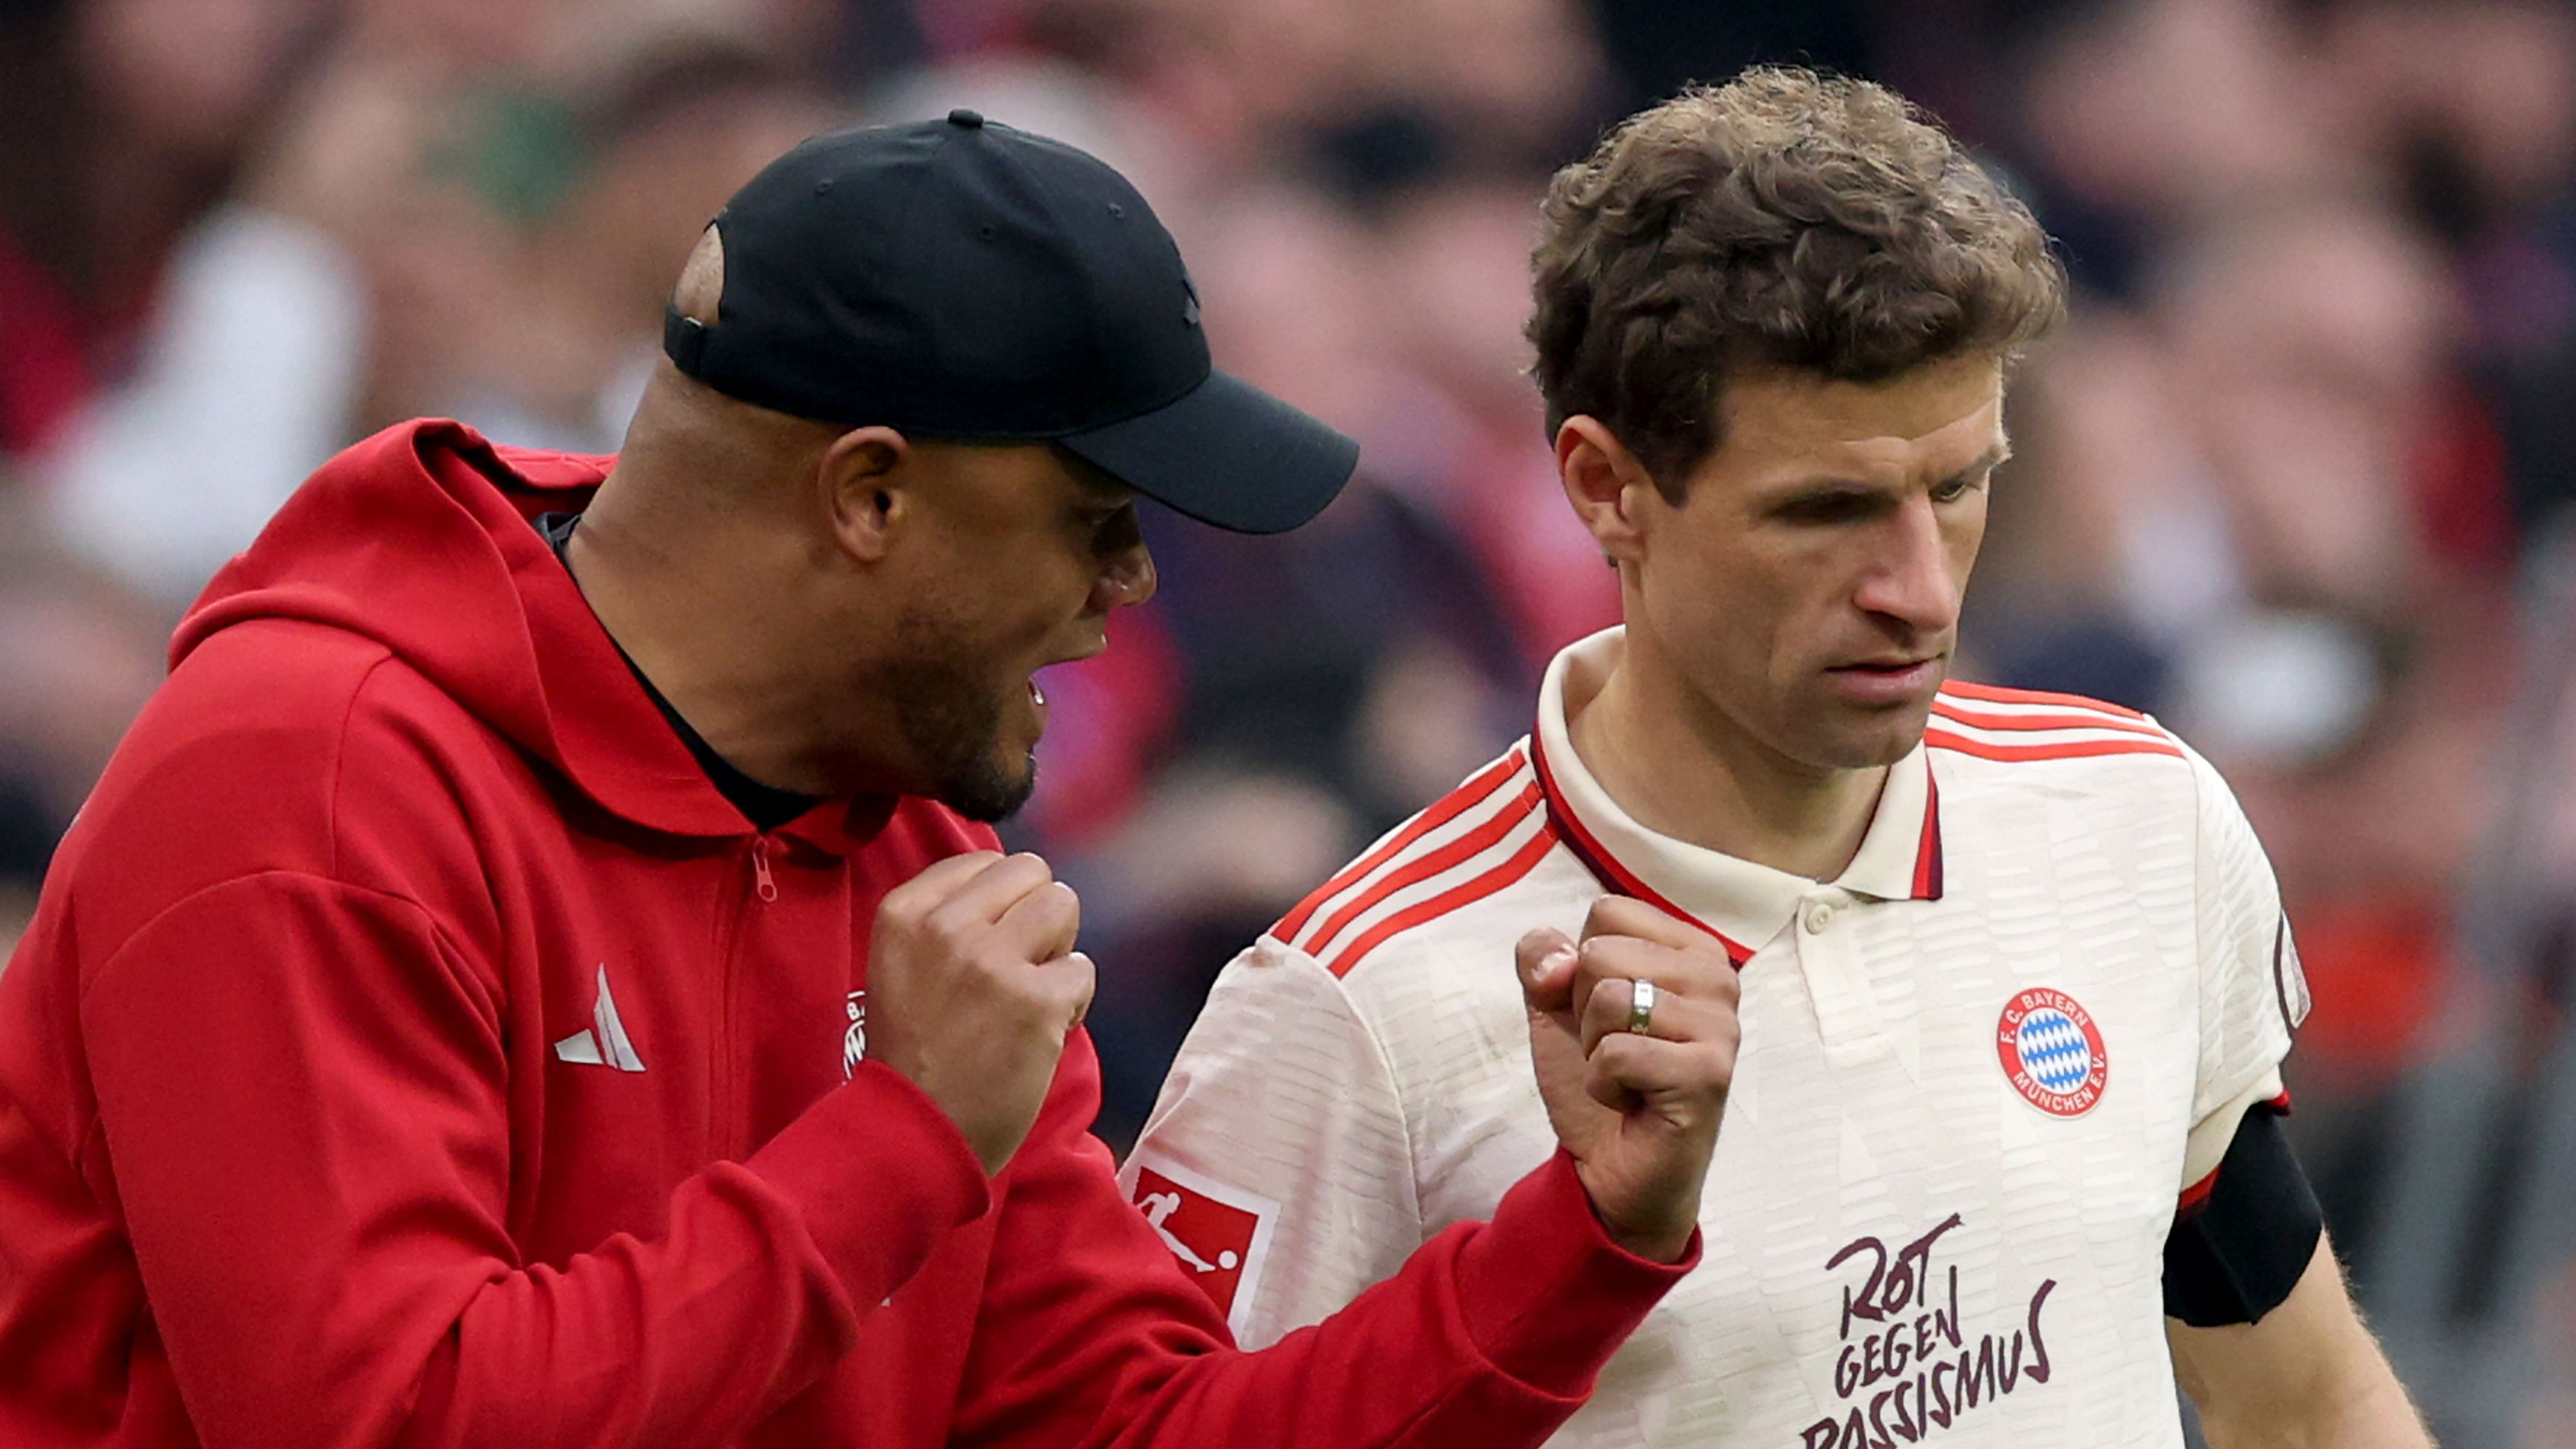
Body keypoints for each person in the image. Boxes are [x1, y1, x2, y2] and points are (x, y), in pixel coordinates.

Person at [0, 112, 1745, 1448]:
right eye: (1095, 522)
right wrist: (900, 1139)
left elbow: (1123, 1430)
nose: (1134, 592)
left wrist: (1577, 1237)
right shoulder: (303, 783)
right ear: (868, 497)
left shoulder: (914, 848)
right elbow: (378, 1420)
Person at [1122, 69, 2434, 1447]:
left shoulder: (2133, 821)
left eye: (1958, 486)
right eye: (1827, 510)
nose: (1920, 591)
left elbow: (2302, 1408)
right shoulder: (1348, 1010)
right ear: (1603, 487)